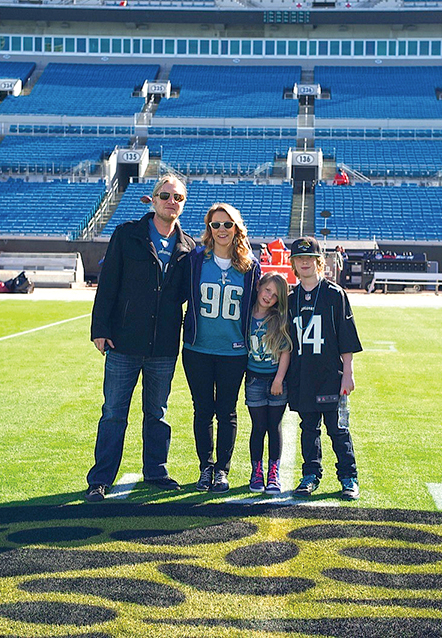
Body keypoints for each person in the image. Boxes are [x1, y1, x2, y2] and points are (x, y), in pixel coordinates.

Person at [86, 174, 196, 502]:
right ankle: (101, 478)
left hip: (164, 345)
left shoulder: (188, 247)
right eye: (165, 195)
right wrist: (101, 330)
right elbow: (108, 285)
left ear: (183, 204)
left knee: (157, 412)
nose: (170, 201)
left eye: (177, 197)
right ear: (153, 198)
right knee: (114, 412)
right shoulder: (127, 235)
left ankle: (155, 470)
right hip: (124, 340)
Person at [182, 202, 261, 493]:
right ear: (209, 229)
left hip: (234, 351)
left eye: (227, 224)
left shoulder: (250, 265)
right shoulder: (195, 260)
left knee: (227, 411)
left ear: (236, 228)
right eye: (216, 225)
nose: (222, 230)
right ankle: (206, 467)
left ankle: (223, 471)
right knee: (202, 410)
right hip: (198, 348)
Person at [287, 236, 363, 500]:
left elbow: (346, 337)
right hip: (303, 376)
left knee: (338, 430)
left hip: (332, 376)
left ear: (319, 262)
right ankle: (310, 474)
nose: (304, 262)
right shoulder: (291, 297)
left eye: (310, 258)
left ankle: (348, 477)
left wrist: (348, 374)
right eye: (299, 258)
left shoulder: (334, 294)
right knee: (308, 429)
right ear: (293, 263)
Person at [245, 272, 292, 495]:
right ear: (258, 287)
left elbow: (285, 351)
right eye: (267, 290)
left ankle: (274, 471)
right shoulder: (245, 315)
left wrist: (279, 379)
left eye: (274, 295)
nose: (269, 297)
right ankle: (257, 471)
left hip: (275, 382)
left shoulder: (277, 319)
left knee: (274, 427)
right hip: (253, 380)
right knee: (258, 427)